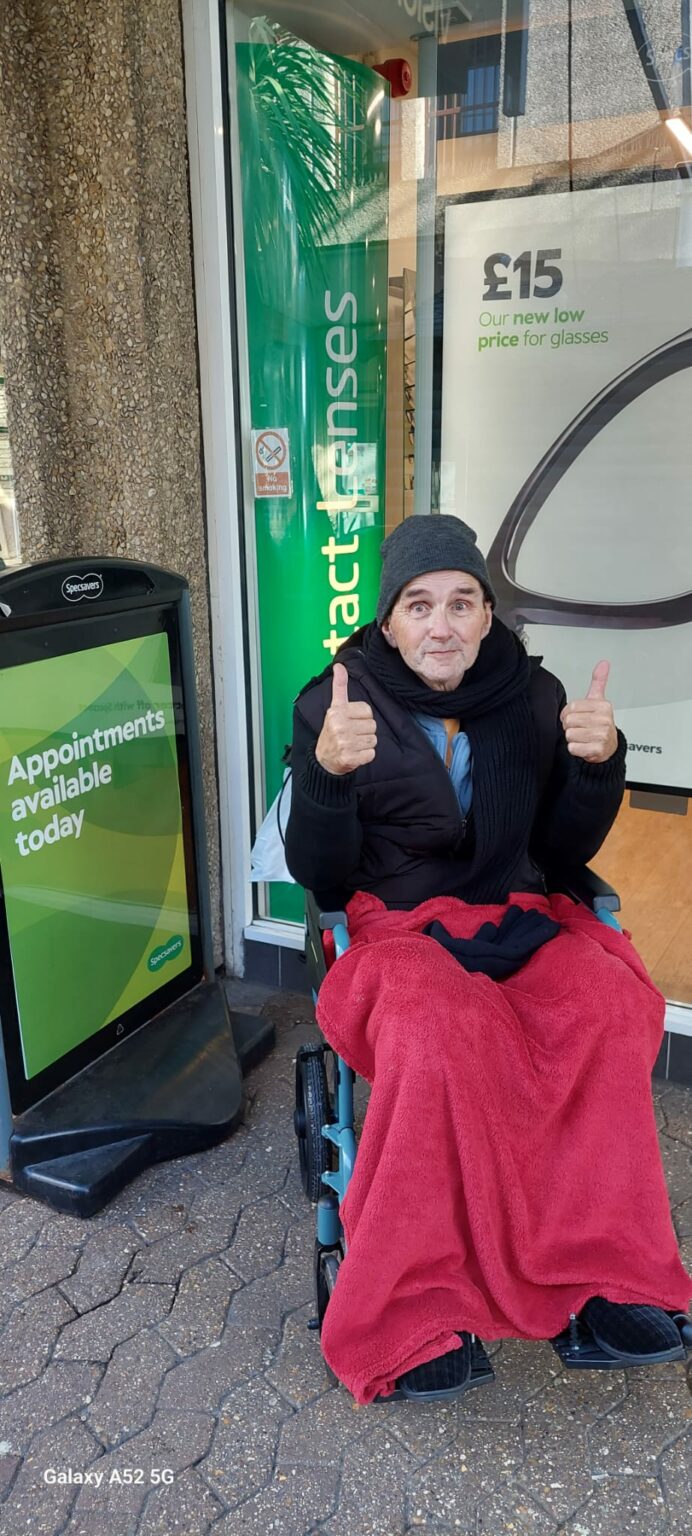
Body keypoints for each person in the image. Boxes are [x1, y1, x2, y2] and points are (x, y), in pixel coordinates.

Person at [285, 515, 691, 1403]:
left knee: (606, 1008)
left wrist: (599, 768)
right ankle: (418, 1301)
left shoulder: (533, 695)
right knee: (439, 1033)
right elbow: (317, 872)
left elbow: (560, 850)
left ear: (486, 614)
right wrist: (325, 777)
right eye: (419, 605)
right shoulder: (336, 703)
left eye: (462, 603)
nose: (442, 625)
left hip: (516, 909)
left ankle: (601, 1276)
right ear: (388, 619)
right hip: (394, 926)